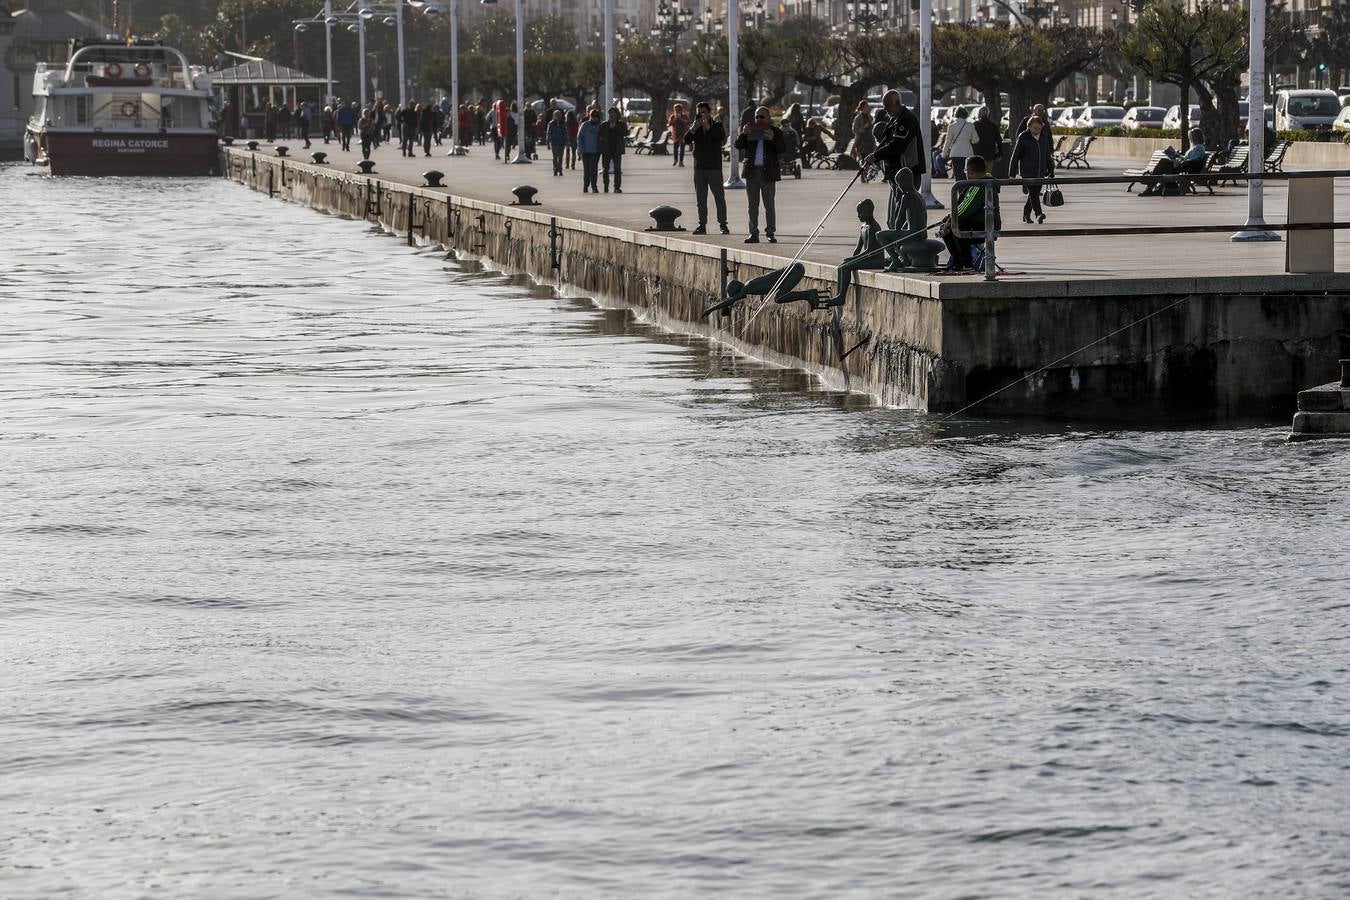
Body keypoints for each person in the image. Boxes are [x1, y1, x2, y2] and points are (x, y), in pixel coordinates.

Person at [865, 89, 926, 230]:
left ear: (897, 103)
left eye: (887, 105)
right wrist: (874, 156)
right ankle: (896, 246)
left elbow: (896, 145)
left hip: (907, 175)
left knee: (900, 220)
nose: (885, 109)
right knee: (891, 220)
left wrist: (876, 156)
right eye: (884, 105)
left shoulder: (907, 120)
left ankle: (903, 247)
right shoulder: (894, 119)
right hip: (895, 175)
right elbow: (885, 142)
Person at [733, 106, 786, 243]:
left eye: (762, 117)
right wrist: (744, 133)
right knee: (752, 205)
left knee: (769, 204)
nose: (759, 119)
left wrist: (773, 139)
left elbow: (782, 148)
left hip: (767, 172)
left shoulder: (775, 131)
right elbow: (738, 145)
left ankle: (770, 232)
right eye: (757, 117)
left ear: (768, 118)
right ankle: (753, 233)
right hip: (752, 172)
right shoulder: (750, 130)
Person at [942, 156, 1000, 269]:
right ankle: (959, 262)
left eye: (965, 170)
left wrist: (950, 220)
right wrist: (949, 217)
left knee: (955, 227)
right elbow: (964, 207)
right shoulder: (981, 183)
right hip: (983, 223)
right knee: (951, 227)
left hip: (986, 226)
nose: (965, 173)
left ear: (971, 172)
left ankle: (966, 264)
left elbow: (965, 209)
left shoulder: (978, 186)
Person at [684, 101, 729, 235]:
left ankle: (723, 224)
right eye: (699, 113)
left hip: (714, 168)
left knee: (719, 197)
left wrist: (707, 127)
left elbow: (720, 137)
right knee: (701, 199)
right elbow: (686, 140)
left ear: (709, 113)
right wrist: (693, 128)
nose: (701, 116)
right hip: (700, 168)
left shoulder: (717, 125)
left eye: (703, 112)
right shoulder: (696, 127)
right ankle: (702, 224)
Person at [1009, 115, 1052, 222]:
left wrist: (1051, 170)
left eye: (1039, 128)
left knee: (1034, 194)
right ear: (1029, 126)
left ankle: (1026, 214)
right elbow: (1015, 155)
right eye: (1034, 128)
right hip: (1027, 171)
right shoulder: (1023, 137)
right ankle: (1039, 214)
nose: (1037, 130)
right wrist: (1012, 173)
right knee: (1033, 193)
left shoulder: (1043, 137)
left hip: (1040, 171)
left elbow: (1047, 155)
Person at [1141, 128, 1207, 196]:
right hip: (1184, 166)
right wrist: (1178, 156)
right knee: (1163, 165)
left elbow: (1194, 160)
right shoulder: (1195, 147)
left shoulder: (1199, 147)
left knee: (1163, 164)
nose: (1190, 139)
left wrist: (1179, 162)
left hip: (1187, 167)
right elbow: (1188, 159)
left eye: (1191, 137)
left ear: (1196, 137)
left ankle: (1151, 187)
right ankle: (1157, 187)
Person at [940, 106, 975, 181]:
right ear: (965, 114)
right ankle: (966, 190)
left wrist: (944, 154)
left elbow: (948, 141)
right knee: (967, 173)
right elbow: (976, 140)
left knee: (957, 173)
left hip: (955, 152)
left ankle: (959, 190)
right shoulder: (971, 126)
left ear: (956, 114)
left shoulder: (952, 126)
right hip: (968, 152)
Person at [599, 106, 628, 193]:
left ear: (616, 114)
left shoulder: (621, 124)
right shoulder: (604, 125)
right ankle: (606, 186)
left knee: (617, 170)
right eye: (610, 113)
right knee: (605, 169)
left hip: (617, 150)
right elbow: (600, 135)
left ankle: (617, 187)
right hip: (606, 150)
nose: (611, 115)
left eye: (613, 113)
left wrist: (615, 127)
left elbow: (625, 133)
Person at [577, 108, 602, 193]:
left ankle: (594, 186)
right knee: (586, 170)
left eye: (596, 117)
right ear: (590, 116)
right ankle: (586, 185)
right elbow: (580, 137)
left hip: (595, 151)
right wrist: (580, 149)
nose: (594, 118)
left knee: (593, 170)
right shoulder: (585, 125)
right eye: (593, 116)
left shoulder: (600, 126)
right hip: (586, 151)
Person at [547, 109, 568, 176]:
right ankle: (555, 169)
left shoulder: (563, 123)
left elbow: (565, 133)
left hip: (561, 142)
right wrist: (548, 142)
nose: (558, 116)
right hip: (554, 142)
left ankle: (560, 169)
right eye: (556, 115)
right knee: (555, 157)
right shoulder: (551, 123)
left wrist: (567, 142)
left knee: (560, 157)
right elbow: (548, 133)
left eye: (559, 115)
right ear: (554, 116)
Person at [668, 103, 690, 167]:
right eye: (676, 110)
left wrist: (681, 119)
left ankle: (681, 161)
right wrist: (675, 119)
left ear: (681, 110)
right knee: (675, 148)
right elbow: (670, 123)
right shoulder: (673, 116)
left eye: (679, 110)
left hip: (683, 134)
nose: (677, 111)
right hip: (675, 134)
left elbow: (688, 122)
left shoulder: (685, 116)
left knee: (682, 148)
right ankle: (675, 160)